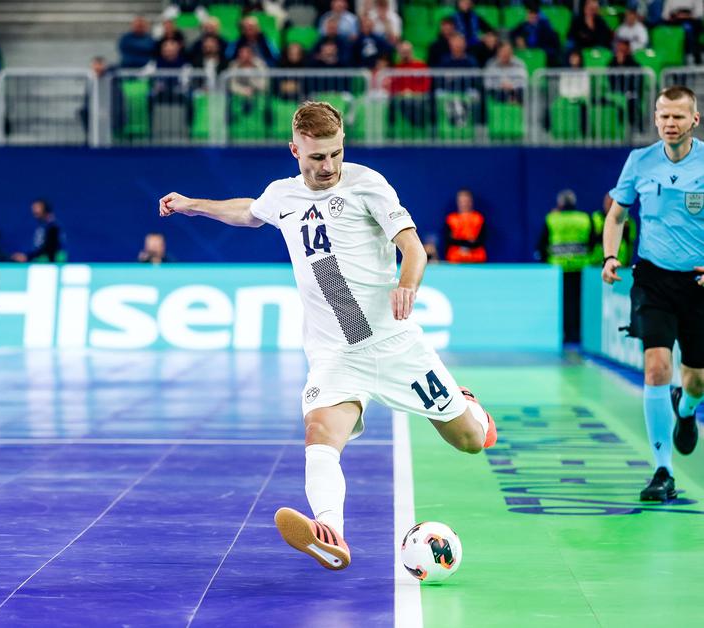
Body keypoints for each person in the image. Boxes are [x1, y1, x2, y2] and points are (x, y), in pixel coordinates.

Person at [158, 101, 497, 571]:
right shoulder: (283, 195)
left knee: (470, 441)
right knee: (319, 433)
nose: (328, 166)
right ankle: (329, 532)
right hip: (338, 353)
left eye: (336, 153)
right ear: (295, 151)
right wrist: (192, 204)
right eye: (317, 157)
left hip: (395, 345)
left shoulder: (367, 184)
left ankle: (469, 406)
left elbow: (414, 249)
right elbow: (247, 213)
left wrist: (407, 284)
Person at [604, 85, 704, 502]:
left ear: (694, 120)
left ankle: (686, 408)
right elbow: (617, 215)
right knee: (656, 367)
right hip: (652, 279)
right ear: (655, 118)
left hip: (697, 283)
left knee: (696, 380)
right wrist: (611, 256)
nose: (670, 123)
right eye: (663, 115)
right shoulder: (639, 161)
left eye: (678, 116)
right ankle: (663, 471)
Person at [536, 188, 594, 343]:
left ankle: (566, 334)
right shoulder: (584, 218)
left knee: (563, 302)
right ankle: (579, 334)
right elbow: (592, 242)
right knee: (579, 302)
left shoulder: (552, 219)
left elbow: (542, 244)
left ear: (560, 203)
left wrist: (546, 260)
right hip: (580, 267)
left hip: (559, 268)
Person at [443, 188, 487, 263]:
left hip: (476, 258)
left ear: (471, 202)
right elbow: (449, 240)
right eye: (461, 201)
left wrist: (469, 246)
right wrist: (466, 243)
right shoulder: (451, 219)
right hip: (455, 258)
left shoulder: (479, 218)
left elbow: (481, 239)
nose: (464, 204)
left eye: (466, 201)